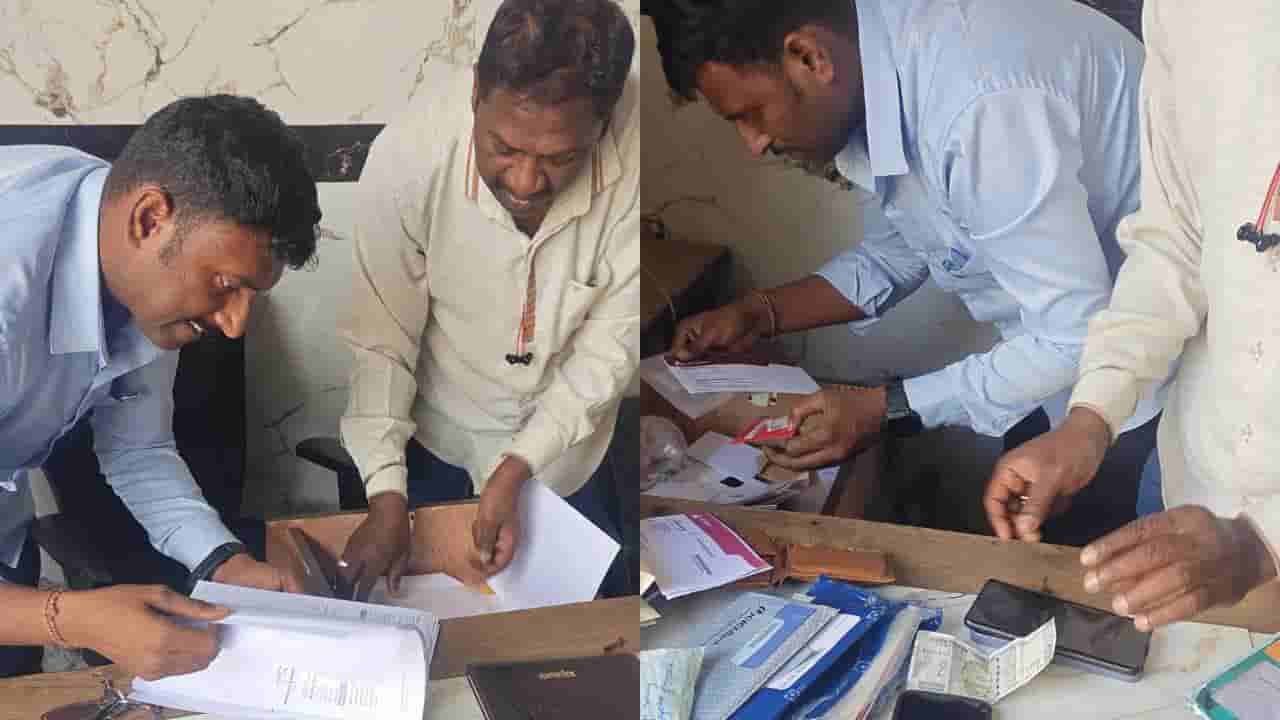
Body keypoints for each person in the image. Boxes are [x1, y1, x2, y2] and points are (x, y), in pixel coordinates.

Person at [647, 0, 1162, 545]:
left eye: (750, 114)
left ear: (809, 57)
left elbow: (1075, 338)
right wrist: (759, 313)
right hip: (1070, 364)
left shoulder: (975, 104)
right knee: (1025, 533)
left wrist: (886, 407)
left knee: (1089, 565)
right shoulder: (888, 63)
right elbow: (908, 248)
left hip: (1141, 379)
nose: (753, 145)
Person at [0, 94, 320, 678]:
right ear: (149, 220)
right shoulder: (9, 282)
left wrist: (223, 562)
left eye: (251, 294)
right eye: (225, 285)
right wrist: (74, 618)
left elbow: (137, 448)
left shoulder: (134, 263)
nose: (235, 323)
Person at [985, 0, 1280, 630]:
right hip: (1196, 495)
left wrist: (1264, 543)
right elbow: (1173, 239)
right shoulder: (1189, 12)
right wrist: (1091, 417)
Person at [337, 0, 638, 598]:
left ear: (602, 124)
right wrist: (386, 490)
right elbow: (381, 340)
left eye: (561, 158)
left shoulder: (637, 159)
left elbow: (610, 347)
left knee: (583, 629)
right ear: (476, 92)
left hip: (569, 448)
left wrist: (519, 464)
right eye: (503, 148)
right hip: (441, 435)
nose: (525, 182)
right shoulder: (409, 157)